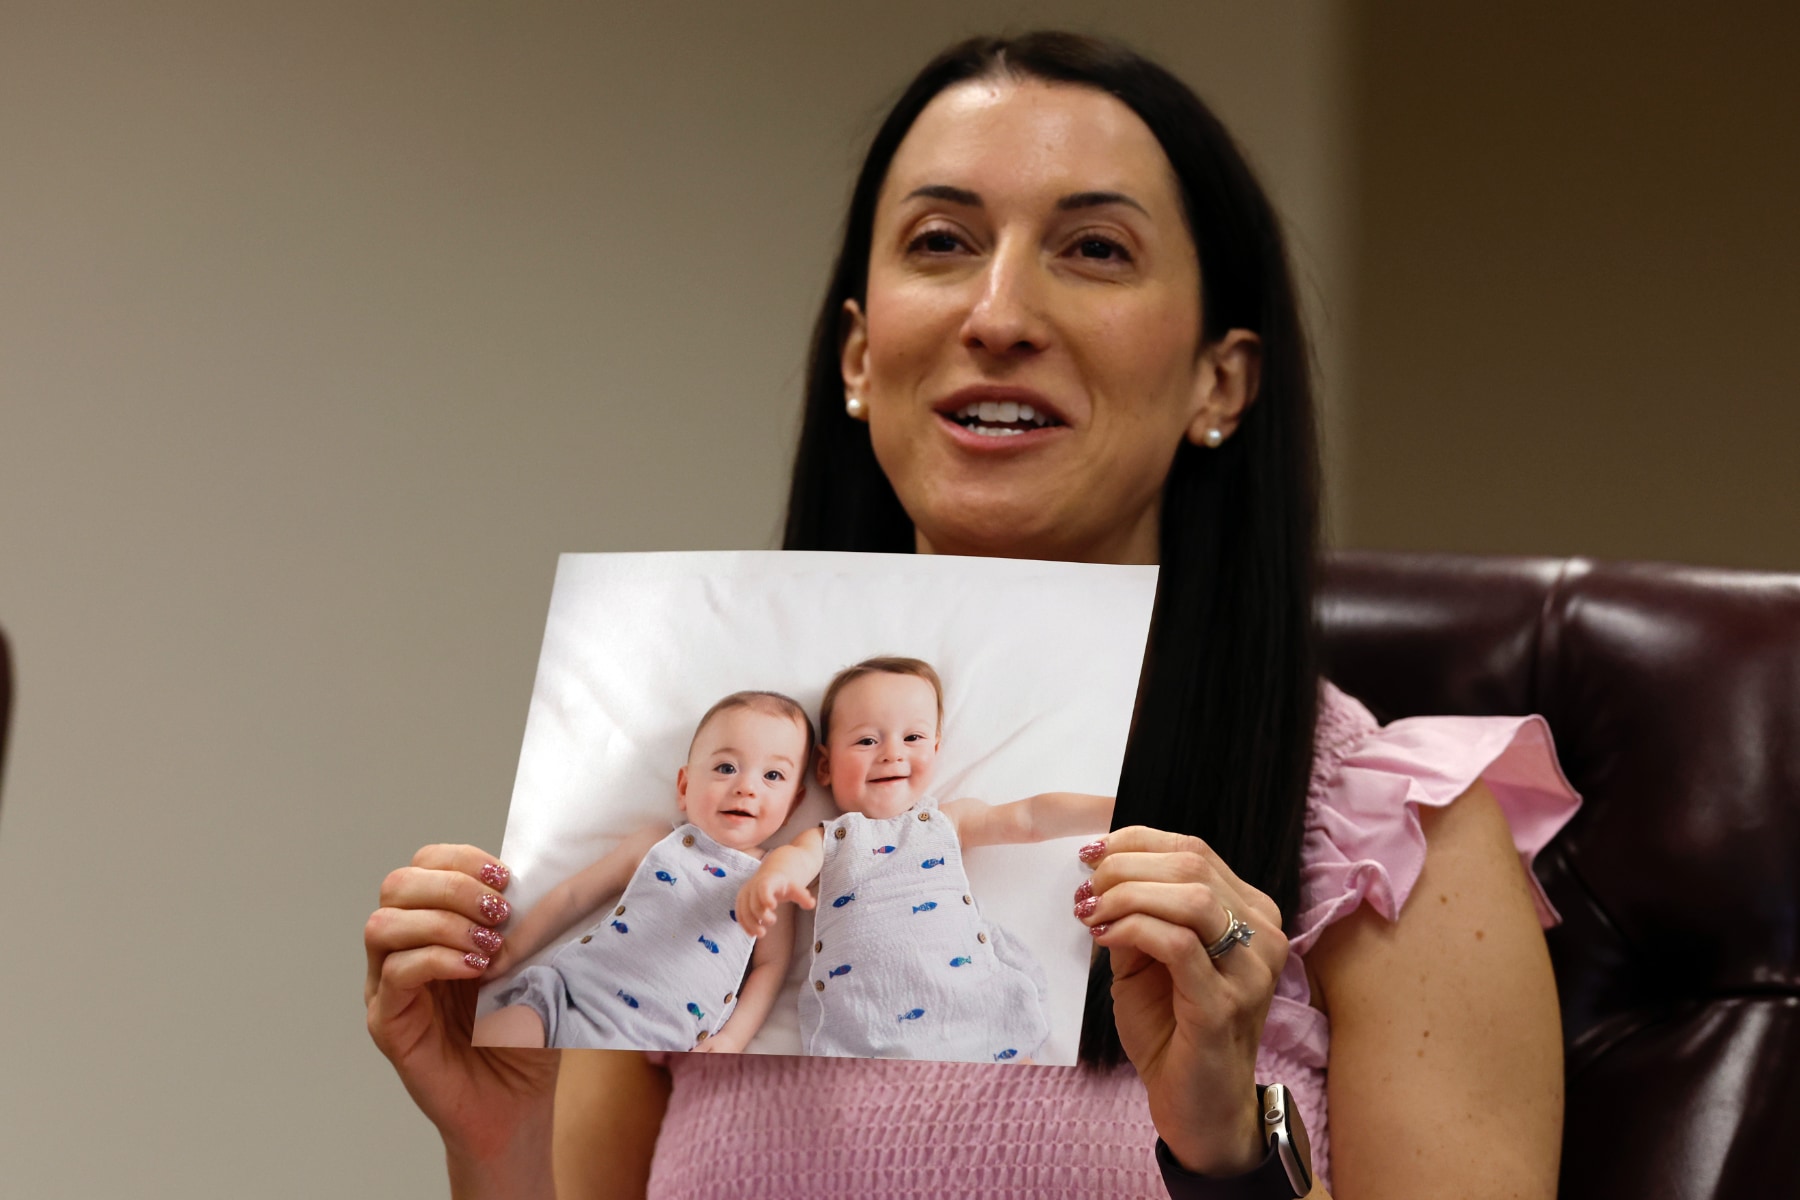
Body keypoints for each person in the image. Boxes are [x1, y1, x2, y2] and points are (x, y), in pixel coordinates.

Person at [363, 31, 1577, 1199]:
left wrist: (1223, 1156)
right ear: (857, 355)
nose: (997, 314)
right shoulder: (725, 797)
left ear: (1222, 379)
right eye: (942, 241)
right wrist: (496, 1137)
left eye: (1095, 249)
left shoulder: (1390, 837)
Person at [734, 655, 1113, 1062]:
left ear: (935, 748)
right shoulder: (832, 838)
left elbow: (1031, 817)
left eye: (912, 738)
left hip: (967, 999)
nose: (891, 753)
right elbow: (792, 858)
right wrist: (771, 880)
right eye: (866, 741)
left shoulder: (945, 821)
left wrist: (1113, 809)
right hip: (866, 1019)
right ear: (825, 765)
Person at [471, 691, 811, 1052]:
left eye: (773, 775)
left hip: (660, 1044)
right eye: (725, 768)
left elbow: (771, 967)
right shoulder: (659, 843)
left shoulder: (772, 878)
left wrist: (732, 1039)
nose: (746, 787)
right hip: (567, 1001)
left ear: (793, 806)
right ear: (684, 787)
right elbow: (574, 896)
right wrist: (508, 954)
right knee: (490, 1053)